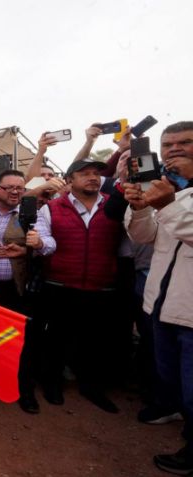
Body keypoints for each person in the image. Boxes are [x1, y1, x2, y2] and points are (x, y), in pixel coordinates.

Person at [123, 121, 193, 475]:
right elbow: (143, 237)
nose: (174, 149)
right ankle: (174, 412)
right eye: (168, 144)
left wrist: (165, 204)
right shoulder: (168, 190)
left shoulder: (170, 196)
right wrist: (138, 208)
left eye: (185, 142)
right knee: (171, 376)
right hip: (161, 306)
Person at [28, 158, 124, 413]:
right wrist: (40, 245)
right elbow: (46, 240)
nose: (92, 177)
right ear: (70, 181)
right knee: (56, 338)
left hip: (101, 285)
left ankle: (91, 387)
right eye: (85, 174)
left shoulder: (115, 206)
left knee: (95, 341)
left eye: (96, 173)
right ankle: (52, 383)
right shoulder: (52, 208)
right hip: (60, 284)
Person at [0, 170, 41, 413]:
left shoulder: (35, 212)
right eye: (9, 187)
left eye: (20, 187)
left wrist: (33, 246)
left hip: (18, 288)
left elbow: (49, 244)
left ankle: (24, 390)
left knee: (22, 341)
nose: (16, 192)